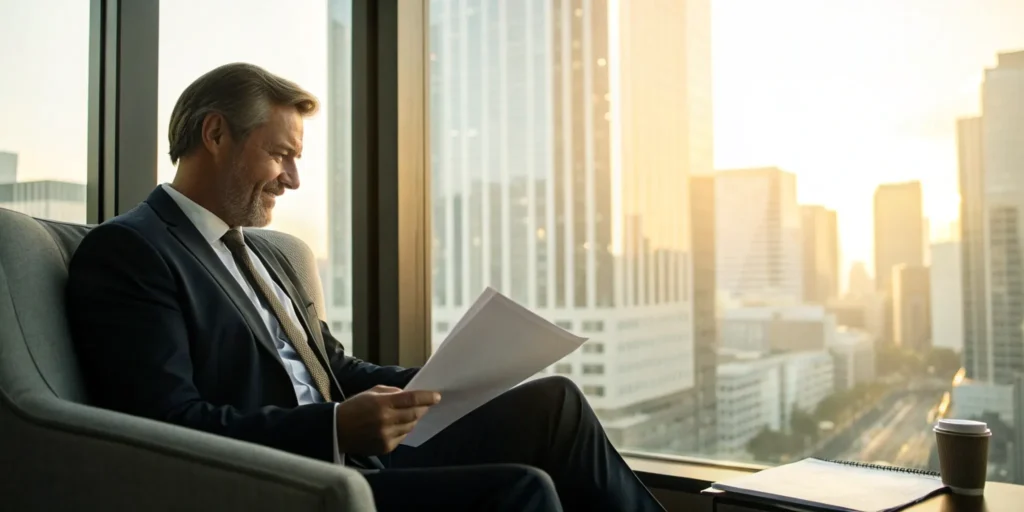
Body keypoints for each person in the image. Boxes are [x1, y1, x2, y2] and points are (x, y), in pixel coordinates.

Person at [66, 62, 665, 512]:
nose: (294, 181)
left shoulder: (262, 256)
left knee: (553, 402)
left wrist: (454, 381)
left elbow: (331, 366)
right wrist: (332, 429)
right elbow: (165, 426)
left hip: (356, 452)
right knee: (523, 491)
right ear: (216, 134)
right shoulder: (132, 252)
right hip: (288, 480)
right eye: (282, 155)